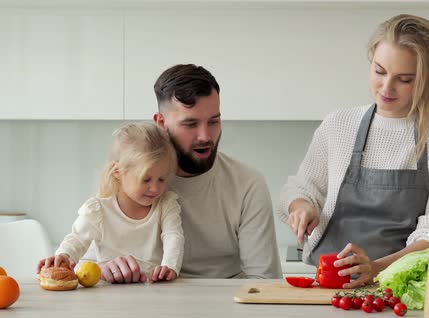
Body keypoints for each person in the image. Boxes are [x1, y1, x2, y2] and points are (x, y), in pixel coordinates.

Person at [278, 14, 429, 288]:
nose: (386, 87)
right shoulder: (338, 125)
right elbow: (301, 188)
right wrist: (301, 207)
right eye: (379, 71)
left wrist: (376, 268)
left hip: (402, 291)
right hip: (328, 286)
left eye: (404, 79)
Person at [152, 64, 282, 279]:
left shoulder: (248, 184)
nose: (205, 136)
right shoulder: (136, 182)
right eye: (190, 124)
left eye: (213, 121)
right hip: (157, 303)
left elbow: (263, 281)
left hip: (230, 305)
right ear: (161, 123)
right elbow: (92, 261)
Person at [37, 122, 184, 283]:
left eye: (161, 179)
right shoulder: (98, 210)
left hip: (153, 288)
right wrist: (63, 256)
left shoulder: (166, 204)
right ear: (118, 172)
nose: (155, 188)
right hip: (108, 290)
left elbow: (173, 236)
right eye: (146, 179)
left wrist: (169, 267)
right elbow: (76, 240)